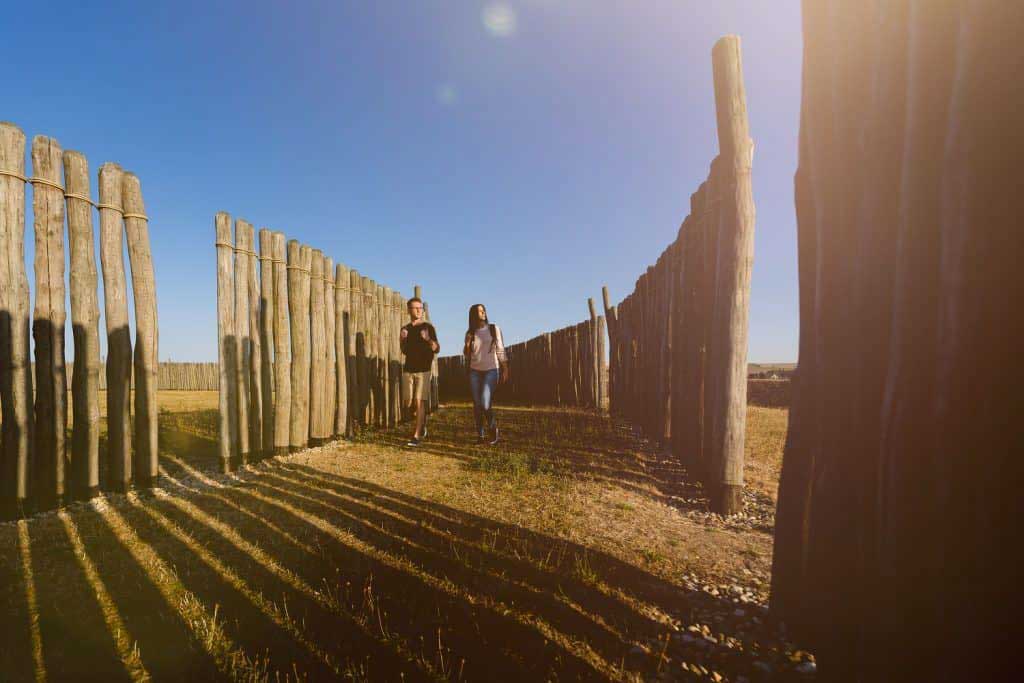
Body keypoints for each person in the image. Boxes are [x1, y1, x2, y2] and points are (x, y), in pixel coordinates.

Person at [463, 303, 508, 445]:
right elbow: (467, 354)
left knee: (485, 402)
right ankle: (480, 435)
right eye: (479, 311)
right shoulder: (470, 333)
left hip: (491, 370)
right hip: (474, 371)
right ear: (473, 315)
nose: (483, 313)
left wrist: (505, 368)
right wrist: (467, 343)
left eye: (483, 310)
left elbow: (500, 350)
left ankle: (493, 428)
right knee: (477, 405)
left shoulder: (494, 329)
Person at [400, 297, 439, 447]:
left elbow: (436, 349)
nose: (419, 310)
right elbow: (403, 351)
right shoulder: (406, 329)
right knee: (408, 402)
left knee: (418, 401)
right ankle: (422, 426)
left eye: (420, 308)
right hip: (409, 369)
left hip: (423, 370)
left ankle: (416, 436)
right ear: (409, 310)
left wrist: (428, 339)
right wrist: (402, 340)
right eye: (415, 308)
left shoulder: (428, 328)